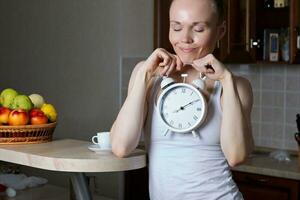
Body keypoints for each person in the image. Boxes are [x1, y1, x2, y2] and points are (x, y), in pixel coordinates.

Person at [110, 0, 254, 199]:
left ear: (220, 31)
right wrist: (144, 74)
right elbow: (121, 146)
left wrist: (226, 79)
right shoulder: (147, 75)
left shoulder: (236, 85)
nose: (185, 38)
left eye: (199, 29)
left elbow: (236, 156)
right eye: (176, 27)